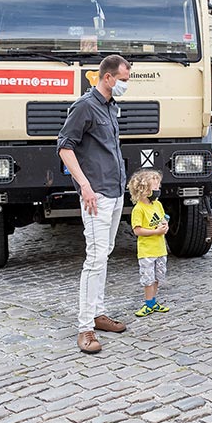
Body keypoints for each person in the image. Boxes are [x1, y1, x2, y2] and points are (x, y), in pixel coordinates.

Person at [58, 54, 131, 354]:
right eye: (124, 80)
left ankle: (98, 314)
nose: (126, 85)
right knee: (95, 258)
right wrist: (84, 185)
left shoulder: (111, 107)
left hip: (115, 191)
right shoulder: (85, 106)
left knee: (105, 254)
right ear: (108, 77)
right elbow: (64, 147)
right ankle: (85, 327)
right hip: (96, 194)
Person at [128, 169, 170, 318]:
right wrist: (155, 232)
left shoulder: (157, 205)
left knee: (158, 277)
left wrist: (165, 226)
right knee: (148, 279)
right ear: (144, 190)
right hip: (147, 251)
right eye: (155, 188)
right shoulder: (138, 209)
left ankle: (153, 302)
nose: (158, 191)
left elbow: (163, 219)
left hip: (160, 249)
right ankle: (148, 303)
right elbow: (137, 230)